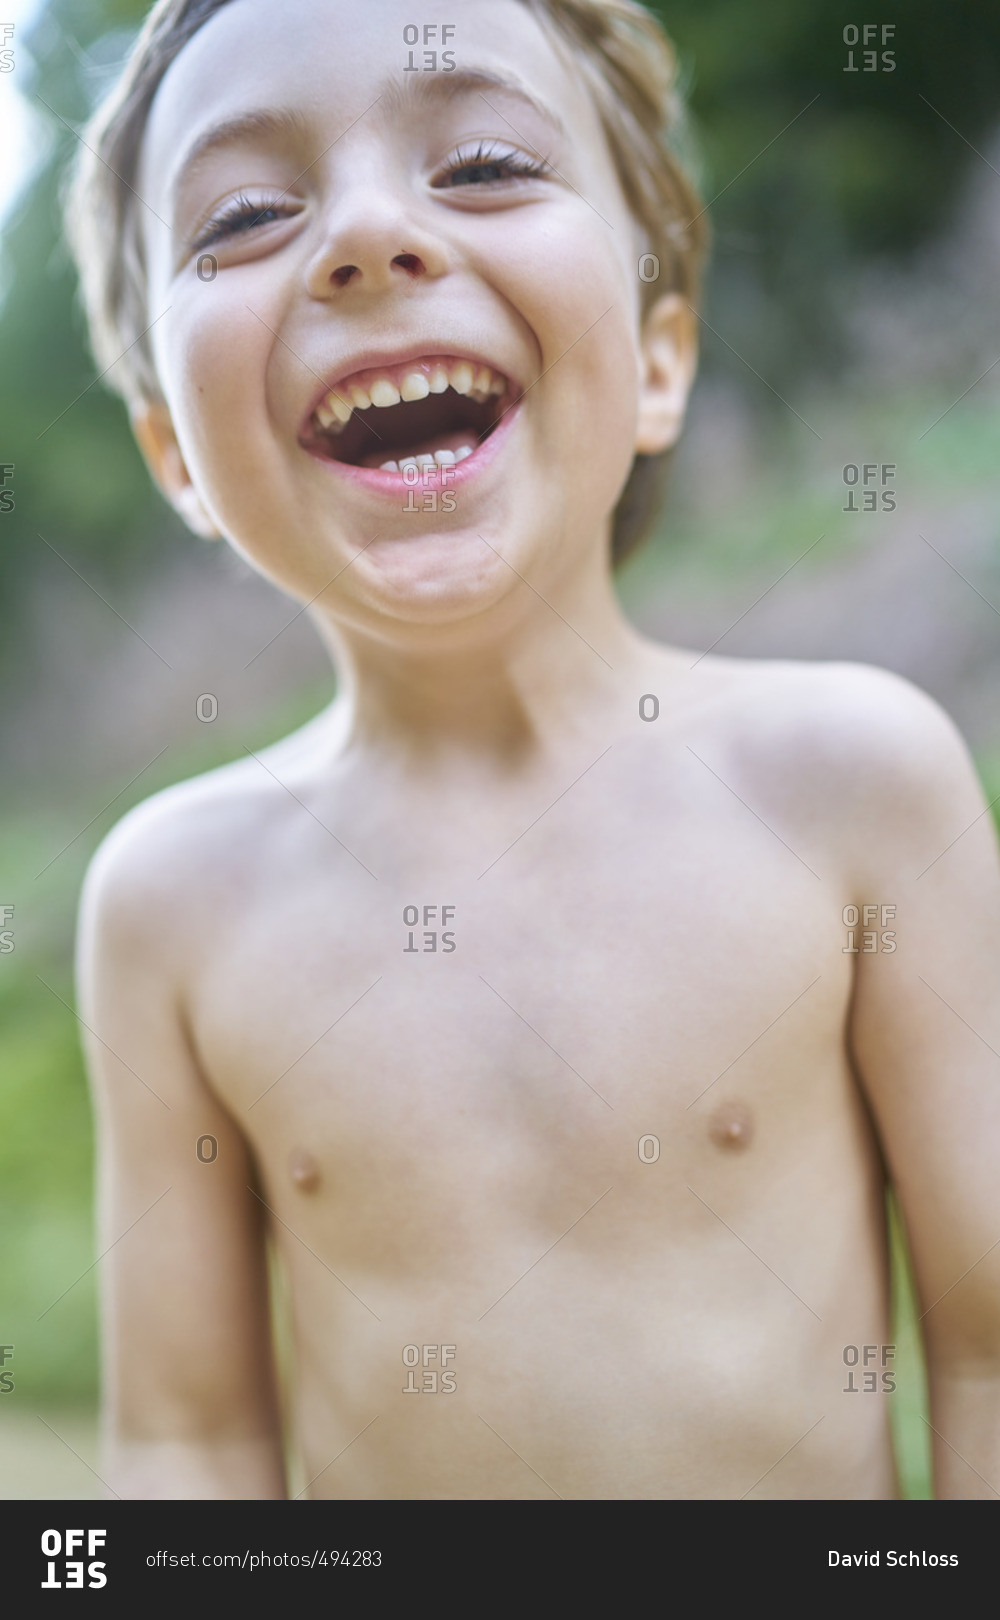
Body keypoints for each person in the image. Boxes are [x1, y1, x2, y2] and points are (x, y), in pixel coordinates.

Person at [68, 0, 1000, 1499]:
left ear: (654, 361)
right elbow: (186, 1436)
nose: (368, 238)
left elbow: (986, 1345)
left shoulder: (854, 785)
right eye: (245, 214)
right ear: (176, 451)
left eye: (486, 165)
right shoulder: (171, 902)